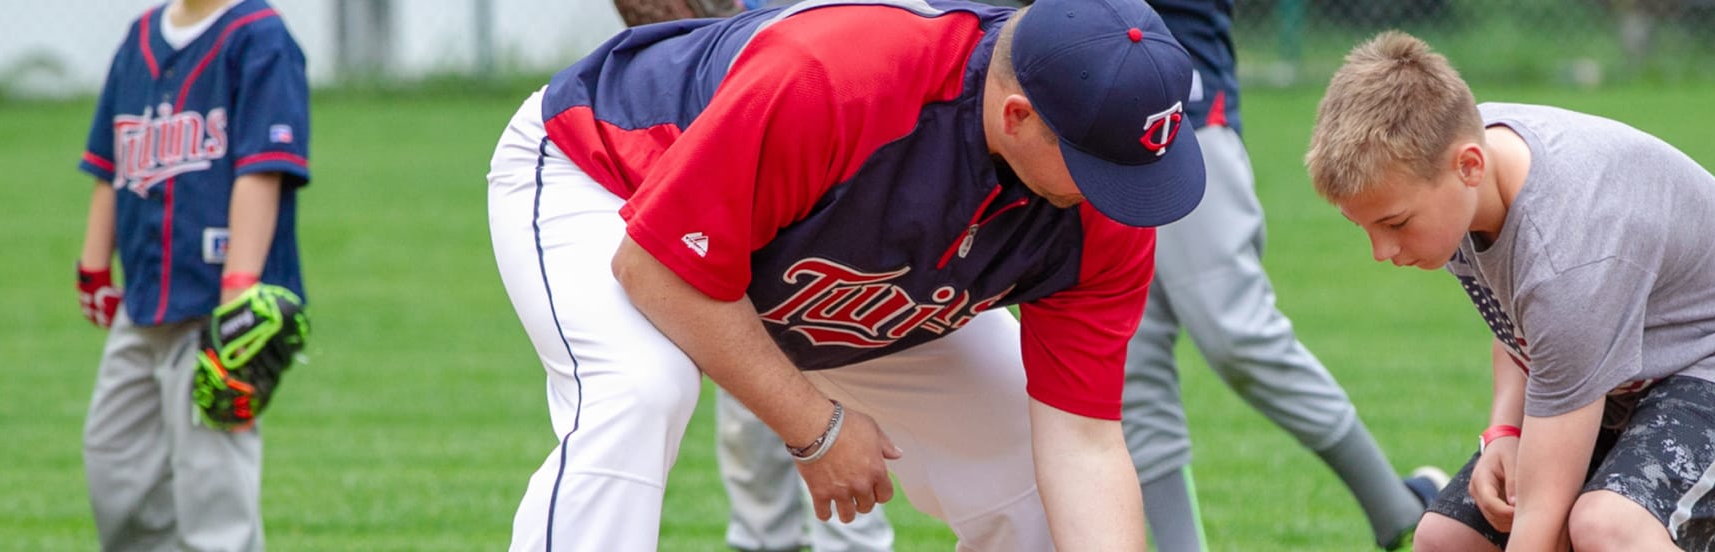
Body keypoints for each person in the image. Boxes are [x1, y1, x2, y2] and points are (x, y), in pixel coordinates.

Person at [483, 0, 1205, 549]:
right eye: (1096, 166)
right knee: (641, 391)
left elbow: (1084, 444)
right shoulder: (840, 80)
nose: (1121, 193)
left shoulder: (1105, 207)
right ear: (1016, 117)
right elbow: (657, 270)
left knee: (1022, 461)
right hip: (605, 181)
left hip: (823, 261)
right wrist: (815, 427)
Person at [1304, 31, 1715, 552]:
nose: (1381, 249)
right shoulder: (1454, 168)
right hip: (1625, 372)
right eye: (1365, 227)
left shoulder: (1568, 251)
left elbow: (1543, 517)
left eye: (1394, 223)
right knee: (1447, 539)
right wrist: (1503, 432)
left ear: (1468, 165)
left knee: (1605, 526)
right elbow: (1524, 326)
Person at [1114, 1, 1441, 550]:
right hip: (1089, 134)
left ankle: (1399, 510)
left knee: (1236, 332)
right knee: (1129, 360)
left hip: (1186, 119)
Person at [605, 2, 900, 551]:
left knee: (847, 357)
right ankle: (762, 540)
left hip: (839, 144)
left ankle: (852, 542)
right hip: (739, 109)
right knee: (743, 378)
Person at [75, 0, 311, 550]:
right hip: (143, 299)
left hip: (216, 309)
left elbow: (263, 169)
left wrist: (238, 289)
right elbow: (109, 163)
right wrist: (93, 264)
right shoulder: (138, 40)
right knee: (113, 461)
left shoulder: (259, 37)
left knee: (212, 481)